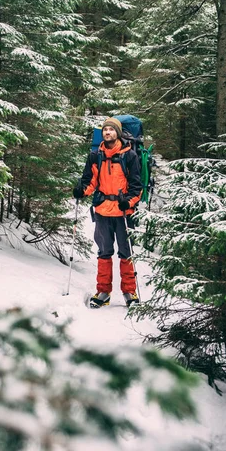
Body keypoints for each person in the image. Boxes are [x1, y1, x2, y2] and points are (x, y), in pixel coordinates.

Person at [73, 117, 142, 308]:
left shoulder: (130, 156)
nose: (107, 132)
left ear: (118, 133)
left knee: (126, 253)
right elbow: (90, 181)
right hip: (103, 210)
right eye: (105, 130)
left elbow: (137, 187)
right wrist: (81, 190)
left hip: (123, 212)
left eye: (111, 129)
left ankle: (129, 292)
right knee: (104, 252)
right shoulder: (96, 155)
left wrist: (127, 202)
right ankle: (103, 292)